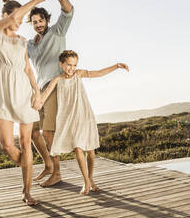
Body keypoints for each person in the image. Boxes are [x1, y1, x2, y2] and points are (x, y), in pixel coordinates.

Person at [0, 0, 53, 205]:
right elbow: (13, 18)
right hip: (4, 96)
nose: (20, 22)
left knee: (26, 142)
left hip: (24, 94)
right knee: (7, 144)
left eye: (23, 19)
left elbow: (27, 69)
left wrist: (37, 94)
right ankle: (28, 165)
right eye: (19, 18)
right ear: (5, 16)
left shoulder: (22, 40)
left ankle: (27, 191)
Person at [39, 50, 129, 194]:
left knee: (91, 151)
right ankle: (86, 182)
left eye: (74, 65)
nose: (72, 68)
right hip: (69, 119)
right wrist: (37, 103)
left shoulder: (79, 74)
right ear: (61, 64)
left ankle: (91, 179)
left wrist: (116, 66)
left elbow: (98, 73)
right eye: (69, 65)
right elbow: (45, 95)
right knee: (78, 148)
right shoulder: (57, 80)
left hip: (84, 116)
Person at [27, 0, 74, 186]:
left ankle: (57, 173)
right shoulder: (31, 44)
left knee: (48, 132)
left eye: (41, 21)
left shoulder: (57, 31)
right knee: (31, 130)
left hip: (55, 86)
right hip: (39, 91)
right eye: (35, 22)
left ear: (47, 20)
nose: (38, 25)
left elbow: (68, 11)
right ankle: (48, 164)